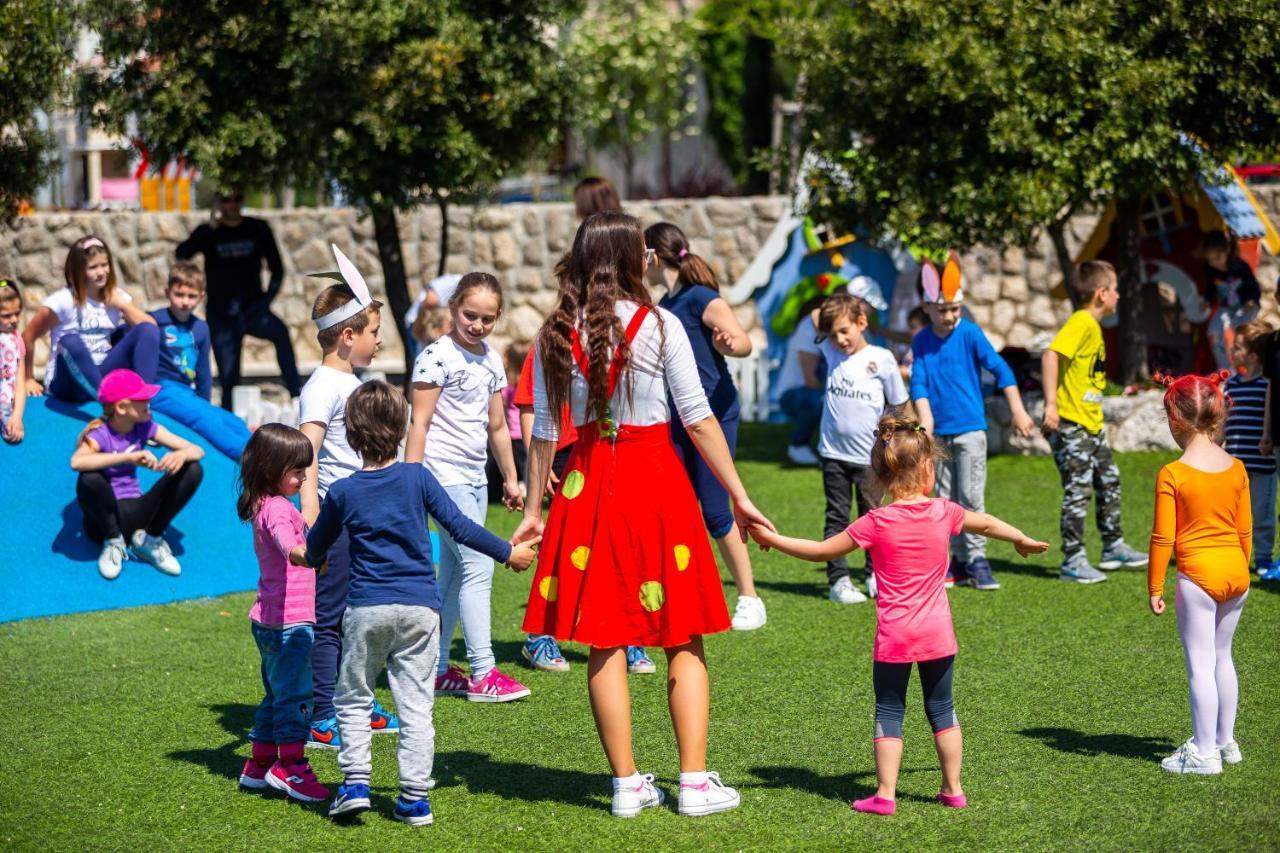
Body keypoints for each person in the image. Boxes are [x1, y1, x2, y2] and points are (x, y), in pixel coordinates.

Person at [513, 211, 775, 818]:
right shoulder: (661, 326)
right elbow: (699, 419)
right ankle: (692, 782)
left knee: (605, 637)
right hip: (657, 481)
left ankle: (627, 785)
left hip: (588, 487)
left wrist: (533, 508)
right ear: (640, 261)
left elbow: (545, 434)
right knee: (681, 634)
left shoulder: (556, 333)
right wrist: (739, 494)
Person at [747, 415, 1047, 815]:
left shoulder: (875, 522)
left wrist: (771, 539)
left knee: (890, 710)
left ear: (881, 474)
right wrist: (1021, 540)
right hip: (938, 633)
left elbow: (821, 552)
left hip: (894, 636)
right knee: (942, 709)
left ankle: (885, 795)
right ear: (927, 468)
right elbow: (988, 522)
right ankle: (953, 788)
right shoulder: (945, 511)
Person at [302, 382, 539, 826]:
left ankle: (355, 784)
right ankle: (413, 798)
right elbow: (462, 527)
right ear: (402, 429)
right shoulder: (418, 477)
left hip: (366, 609)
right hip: (420, 610)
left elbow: (317, 550)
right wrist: (509, 553)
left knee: (353, 698)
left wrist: (304, 556)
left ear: (351, 437)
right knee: (415, 704)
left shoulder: (344, 492)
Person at [405, 272, 531, 703]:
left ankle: (437, 670)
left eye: (487, 319)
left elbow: (497, 425)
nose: (476, 325)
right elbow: (418, 422)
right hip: (441, 478)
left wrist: (512, 479)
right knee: (479, 567)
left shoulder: (492, 360)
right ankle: (483, 672)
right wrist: (412, 478)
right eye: (469, 315)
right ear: (453, 307)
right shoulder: (435, 357)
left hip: (476, 478)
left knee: (456, 575)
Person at [298, 248, 398, 749]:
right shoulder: (323, 387)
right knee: (331, 618)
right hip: (334, 522)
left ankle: (356, 701)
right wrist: (312, 513)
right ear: (348, 336)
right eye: (374, 331)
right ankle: (321, 714)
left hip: (361, 518)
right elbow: (306, 452)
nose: (380, 341)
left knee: (362, 615)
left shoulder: (349, 382)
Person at [645, 221, 767, 631]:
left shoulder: (701, 298)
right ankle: (678, 590)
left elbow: (743, 341)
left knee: (715, 509)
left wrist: (732, 344)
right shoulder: (663, 304)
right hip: (676, 415)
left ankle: (749, 597)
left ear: (653, 256)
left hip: (714, 413)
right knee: (670, 505)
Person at [910, 254, 1036, 591]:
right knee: (945, 500)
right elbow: (919, 382)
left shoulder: (969, 333)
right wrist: (925, 418)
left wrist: (1018, 410)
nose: (949, 316)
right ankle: (957, 561)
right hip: (939, 436)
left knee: (970, 496)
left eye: (955, 309)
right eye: (942, 309)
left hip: (969, 430)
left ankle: (978, 559)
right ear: (927, 307)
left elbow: (1000, 369)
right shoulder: (921, 340)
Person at [1148, 371, 1251, 775]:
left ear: (1175, 419)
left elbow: (1162, 539)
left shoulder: (1173, 473)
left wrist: (1155, 585)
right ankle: (1226, 743)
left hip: (1198, 576)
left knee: (1200, 664)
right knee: (1224, 658)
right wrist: (1241, 568)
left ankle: (1204, 753)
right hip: (1235, 573)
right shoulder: (1238, 467)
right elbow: (1244, 531)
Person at [234, 423, 328, 803]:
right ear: (271, 470)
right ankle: (291, 766)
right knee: (296, 697)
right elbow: (287, 544)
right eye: (296, 471)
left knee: (276, 695)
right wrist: (307, 555)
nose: (304, 476)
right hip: (290, 623)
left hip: (271, 620)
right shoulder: (276, 509)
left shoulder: (265, 502)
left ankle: (258, 765)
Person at [1040, 260, 1148, 582]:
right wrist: (1051, 405)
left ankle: (1113, 547)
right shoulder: (1082, 321)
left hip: (1091, 425)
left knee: (1109, 480)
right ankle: (1073, 560)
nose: (1118, 295)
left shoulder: (1093, 326)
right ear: (1102, 293)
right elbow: (1050, 355)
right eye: (1114, 289)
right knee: (1078, 490)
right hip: (1071, 425)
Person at [815, 292, 908, 604]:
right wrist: (835, 314)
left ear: (862, 323)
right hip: (833, 455)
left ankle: (874, 574)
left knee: (874, 518)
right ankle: (838, 580)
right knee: (837, 517)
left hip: (870, 458)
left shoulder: (882, 359)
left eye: (845, 331)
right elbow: (816, 314)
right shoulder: (831, 351)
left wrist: (891, 442)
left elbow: (898, 403)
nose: (839, 339)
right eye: (833, 334)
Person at [71, 369, 204, 580]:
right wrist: (127, 457)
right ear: (122, 407)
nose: (148, 402)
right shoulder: (101, 434)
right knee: (89, 478)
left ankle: (149, 540)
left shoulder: (146, 426)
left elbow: (197, 450)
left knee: (193, 467)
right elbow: (77, 461)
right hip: (104, 521)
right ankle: (113, 543)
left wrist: (182, 455)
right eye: (142, 399)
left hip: (138, 514)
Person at [175, 188, 302, 408]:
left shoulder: (258, 229)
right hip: (222, 315)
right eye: (226, 200)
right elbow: (182, 254)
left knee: (281, 334)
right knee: (229, 379)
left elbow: (277, 269)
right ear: (217, 203)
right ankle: (230, 428)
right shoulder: (209, 232)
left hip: (254, 311)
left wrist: (265, 301)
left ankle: (296, 394)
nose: (232, 204)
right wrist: (210, 227)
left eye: (237, 198)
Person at [22, 236, 159, 403]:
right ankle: (107, 403)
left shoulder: (116, 297)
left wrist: (122, 305)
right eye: (93, 267)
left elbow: (151, 330)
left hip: (100, 374)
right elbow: (28, 336)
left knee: (146, 330)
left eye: (105, 265)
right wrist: (28, 378)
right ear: (78, 271)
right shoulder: (63, 301)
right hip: (67, 383)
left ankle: (143, 400)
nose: (101, 272)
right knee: (70, 340)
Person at [148, 261, 252, 460]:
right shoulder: (153, 320)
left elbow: (203, 372)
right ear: (167, 292)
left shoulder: (201, 327)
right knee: (206, 419)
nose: (185, 301)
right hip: (160, 389)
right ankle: (254, 460)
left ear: (201, 296)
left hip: (187, 393)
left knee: (234, 422)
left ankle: (269, 453)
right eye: (179, 294)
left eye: (191, 296)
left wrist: (204, 403)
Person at [1224, 321, 1276, 577]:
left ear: (1253, 355)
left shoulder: (1267, 386)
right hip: (1235, 466)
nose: (1232, 352)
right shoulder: (1232, 385)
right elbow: (1223, 422)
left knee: (1263, 515)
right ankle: (1237, 556)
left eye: (1238, 348)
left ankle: (1264, 558)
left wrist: (1267, 437)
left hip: (1263, 465)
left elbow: (1268, 419)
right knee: (1234, 516)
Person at [775, 296, 826, 466]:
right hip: (795, 394)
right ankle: (799, 444)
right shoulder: (808, 327)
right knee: (819, 400)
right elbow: (811, 379)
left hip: (812, 390)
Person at [1200, 230, 1261, 370]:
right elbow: (1210, 289)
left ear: (1227, 251)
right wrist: (1206, 301)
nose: (1215, 263)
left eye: (1217, 258)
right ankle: (1225, 370)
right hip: (1226, 307)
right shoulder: (1211, 270)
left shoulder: (1240, 267)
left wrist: (1251, 301)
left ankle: (1253, 365)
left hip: (1246, 306)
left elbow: (1254, 287)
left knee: (1240, 331)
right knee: (1213, 333)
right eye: (1210, 260)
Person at [0, 278, 27, 443]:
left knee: (14, 434)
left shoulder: (15, 339)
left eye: (17, 313)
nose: (14, 319)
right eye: (6, 316)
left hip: (5, 402)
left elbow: (20, 381)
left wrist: (17, 416)